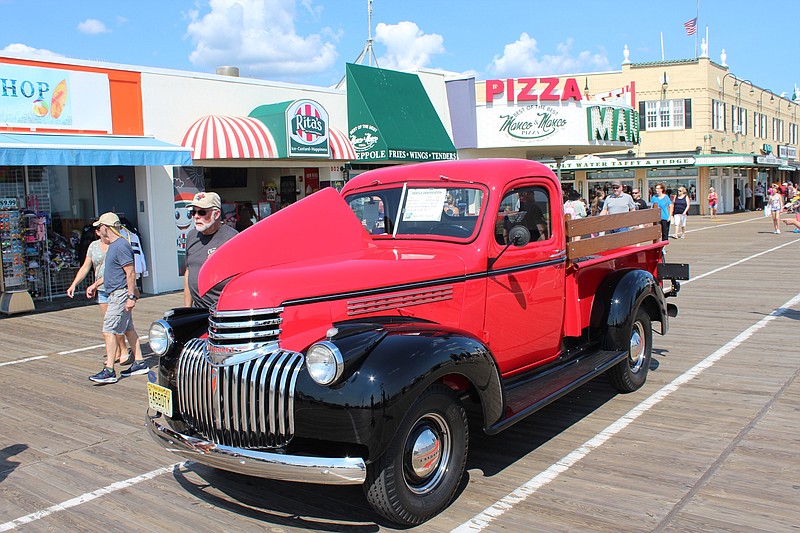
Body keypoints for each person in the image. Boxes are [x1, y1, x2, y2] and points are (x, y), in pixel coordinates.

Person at [88, 212, 148, 384]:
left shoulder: (120, 246)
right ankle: (140, 362)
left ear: (106, 228)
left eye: (100, 227)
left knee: (109, 330)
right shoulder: (115, 245)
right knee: (128, 328)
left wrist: (130, 296)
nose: (99, 230)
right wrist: (95, 285)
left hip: (120, 294)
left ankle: (109, 371)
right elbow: (111, 272)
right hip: (117, 293)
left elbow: (130, 272)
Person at [67, 219, 129, 364]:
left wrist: (94, 284)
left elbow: (121, 270)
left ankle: (123, 350)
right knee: (109, 324)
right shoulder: (93, 246)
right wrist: (74, 284)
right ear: (98, 233)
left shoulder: (117, 246)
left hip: (117, 288)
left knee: (116, 324)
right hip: (102, 291)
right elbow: (85, 267)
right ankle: (114, 354)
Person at [184, 191, 239, 309]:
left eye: (202, 212)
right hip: (198, 310)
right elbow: (189, 272)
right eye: (193, 212)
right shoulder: (191, 236)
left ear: (216, 214)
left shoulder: (232, 239)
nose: (196, 216)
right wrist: (187, 308)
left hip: (223, 310)